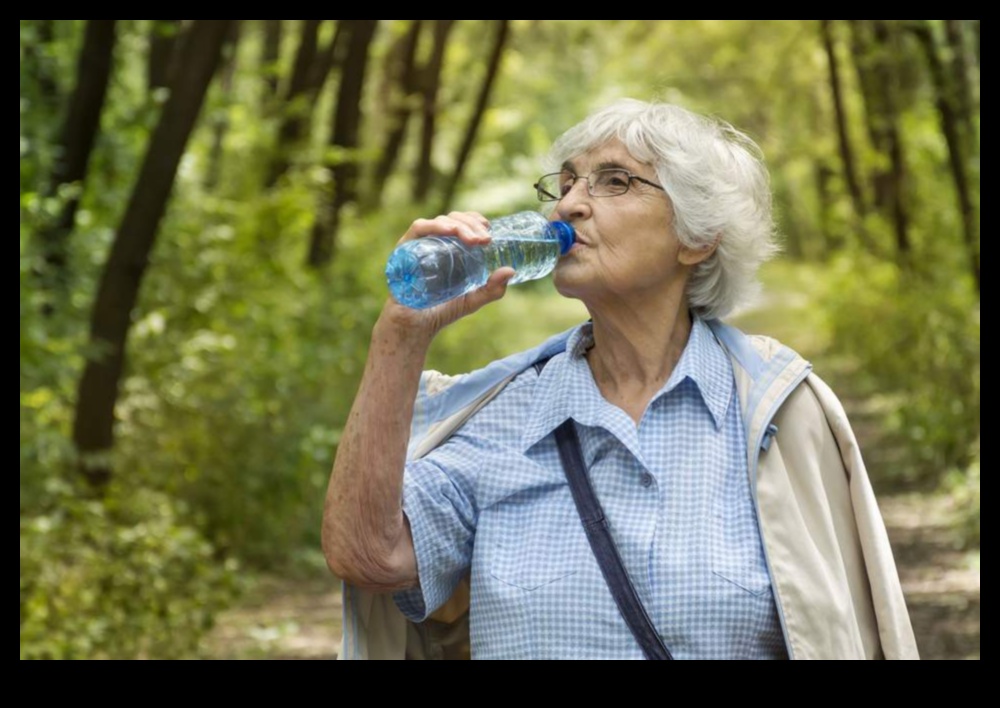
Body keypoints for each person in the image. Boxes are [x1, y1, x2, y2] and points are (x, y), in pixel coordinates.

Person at [322, 99, 918, 660]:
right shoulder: (504, 416)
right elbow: (369, 555)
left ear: (698, 238)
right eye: (568, 181)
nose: (568, 206)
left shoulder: (778, 414)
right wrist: (401, 333)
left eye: (615, 181)